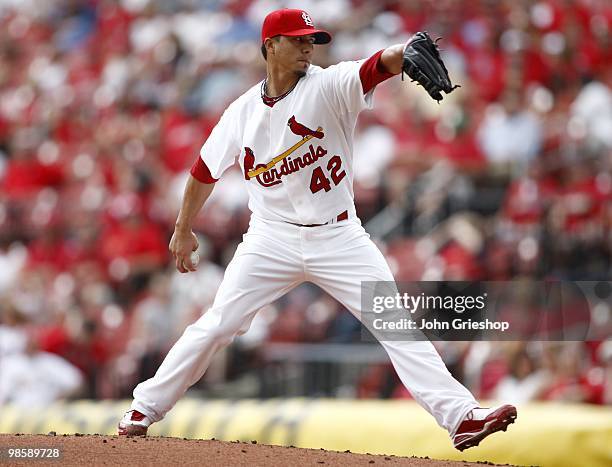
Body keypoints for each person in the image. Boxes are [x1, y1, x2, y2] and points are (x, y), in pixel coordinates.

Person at [118, 8, 517, 451]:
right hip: (270, 238)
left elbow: (373, 67)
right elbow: (204, 170)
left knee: (393, 322)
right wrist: (183, 229)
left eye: (312, 39)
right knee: (218, 324)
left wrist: (403, 52)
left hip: (338, 237)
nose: (309, 46)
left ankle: (461, 416)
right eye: (298, 39)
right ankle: (144, 408)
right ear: (271, 46)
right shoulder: (242, 111)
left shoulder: (327, 85)